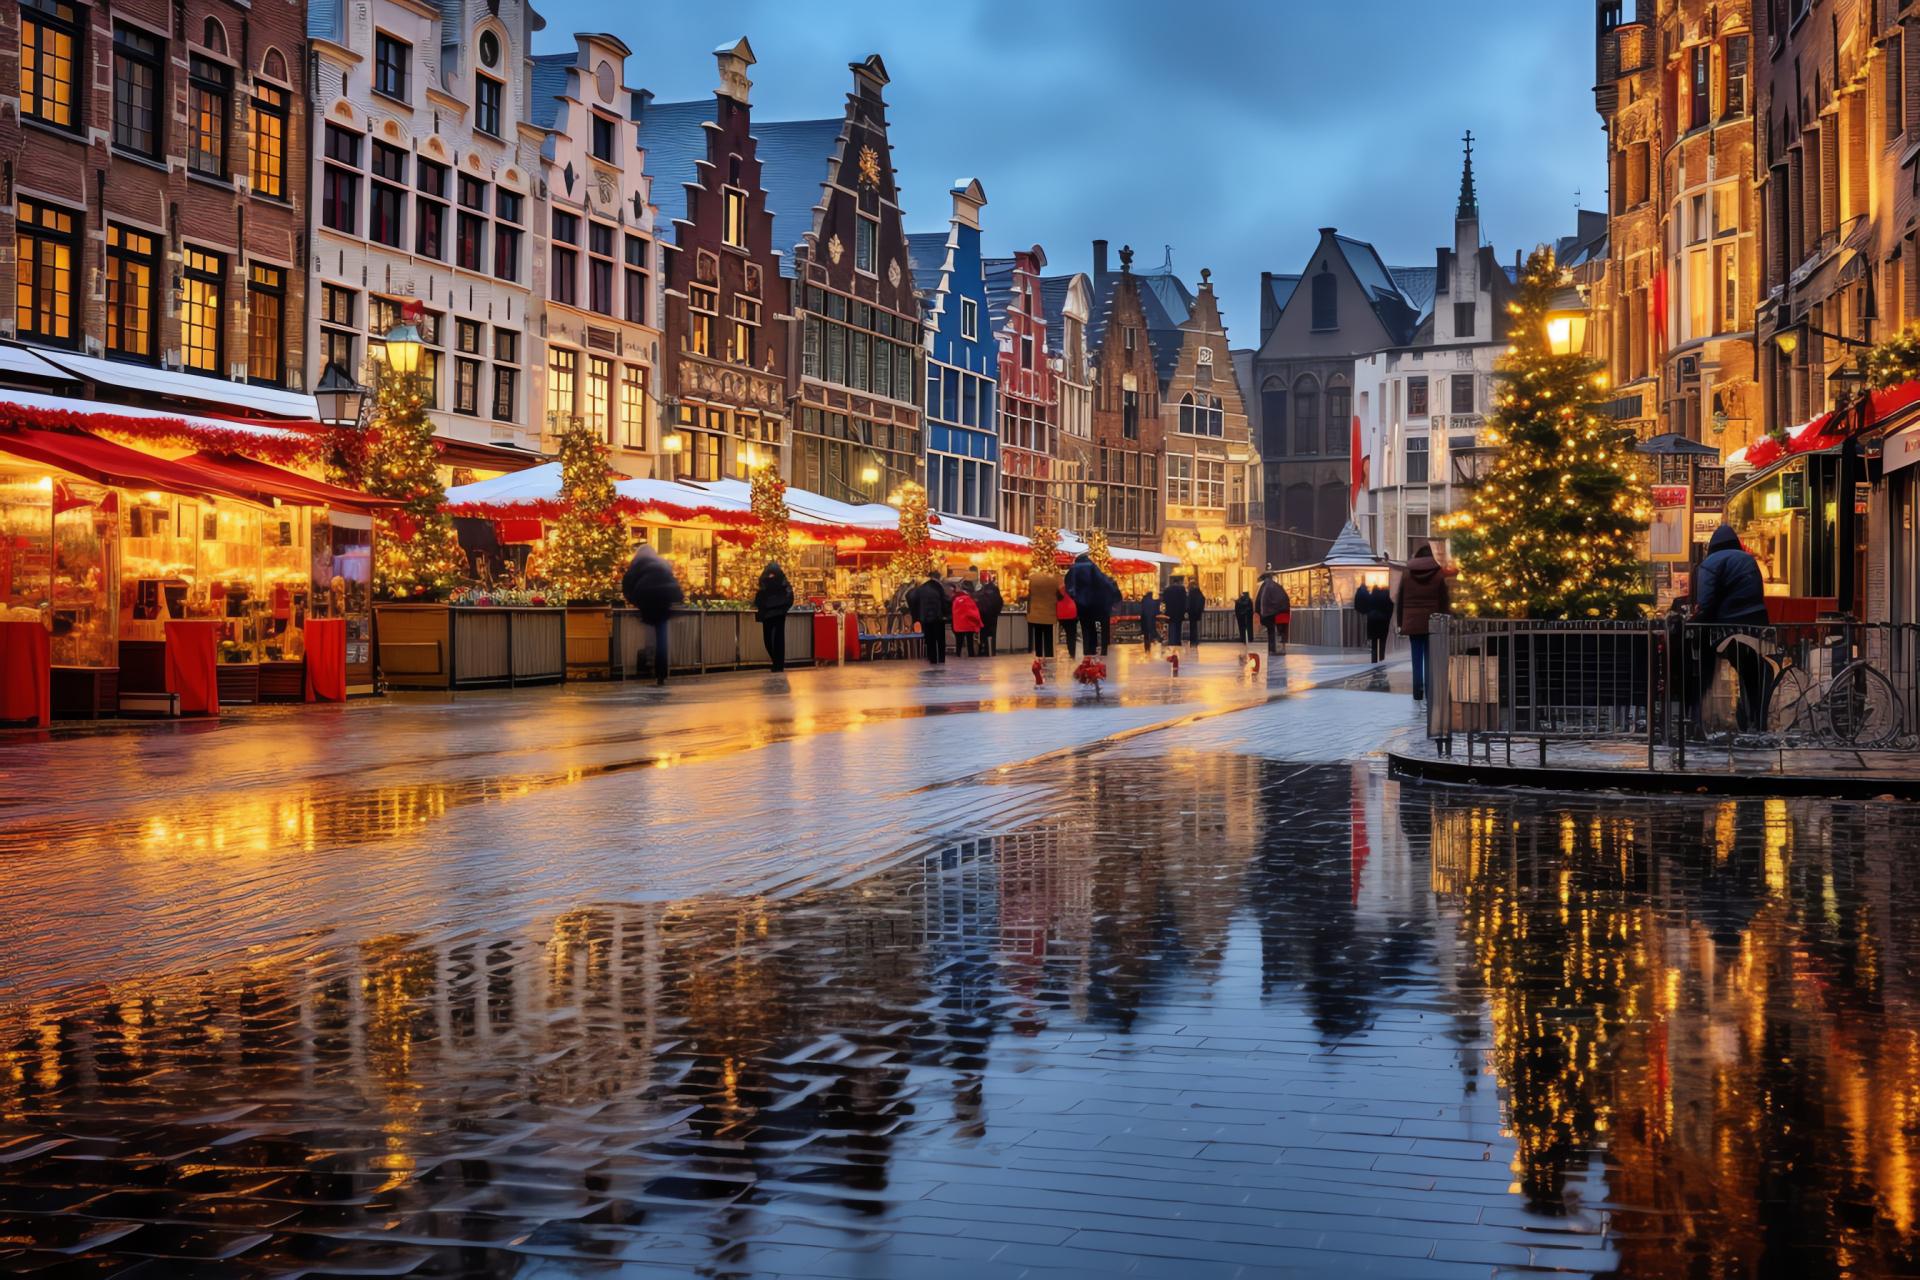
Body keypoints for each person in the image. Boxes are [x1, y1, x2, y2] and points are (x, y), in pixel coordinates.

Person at [1693, 522, 1773, 730]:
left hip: (1728, 626)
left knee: (1706, 664)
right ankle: (1755, 718)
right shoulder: (1748, 559)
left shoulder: (1710, 563)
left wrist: (1698, 621)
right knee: (1751, 669)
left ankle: (1699, 717)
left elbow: (1706, 600)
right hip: (1756, 624)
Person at [1393, 544, 1451, 701]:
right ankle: (1430, 688)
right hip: (1433, 623)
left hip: (1413, 622)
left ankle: (1417, 690)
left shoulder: (1407, 575)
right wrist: (1446, 619)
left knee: (1416, 657)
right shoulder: (1439, 574)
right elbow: (1444, 599)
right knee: (1431, 657)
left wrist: (1400, 623)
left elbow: (1400, 600)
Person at [621, 544, 684, 686]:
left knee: (648, 633)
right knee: (661, 636)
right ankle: (661, 672)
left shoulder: (637, 566)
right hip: (663, 601)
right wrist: (677, 600)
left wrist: (633, 600)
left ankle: (645, 664)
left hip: (646, 599)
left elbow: (627, 584)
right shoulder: (662, 565)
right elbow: (673, 583)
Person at [1065, 553, 1117, 656]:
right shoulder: (1095, 569)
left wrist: (1076, 598)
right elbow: (1107, 583)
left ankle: (1088, 649)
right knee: (1104, 626)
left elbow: (1068, 584)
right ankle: (1104, 649)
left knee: (1087, 626)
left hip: (1084, 604)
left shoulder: (1074, 570)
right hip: (1101, 603)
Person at [753, 560, 795, 674]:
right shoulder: (782, 583)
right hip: (777, 614)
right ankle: (778, 664)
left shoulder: (766, 583)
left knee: (771, 639)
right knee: (776, 640)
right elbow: (790, 597)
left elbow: (759, 599)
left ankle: (777, 664)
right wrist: (783, 608)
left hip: (771, 614)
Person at [906, 570, 949, 665]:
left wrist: (916, 615)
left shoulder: (922, 588)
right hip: (938, 618)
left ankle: (932, 658)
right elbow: (945, 601)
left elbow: (911, 596)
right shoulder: (939, 588)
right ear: (939, 578)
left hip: (925, 618)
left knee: (930, 640)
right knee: (940, 640)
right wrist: (946, 614)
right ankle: (941, 659)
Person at [1027, 561, 1064, 658]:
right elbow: (1060, 596)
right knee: (1048, 637)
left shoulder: (1033, 578)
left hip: (1035, 613)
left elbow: (1029, 594)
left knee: (1038, 636)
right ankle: (1049, 656)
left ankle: (1039, 656)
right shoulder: (1055, 579)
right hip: (1049, 613)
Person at [1355, 582, 1393, 663]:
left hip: (1372, 622)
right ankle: (1382, 659)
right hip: (1383, 623)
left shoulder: (1371, 598)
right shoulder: (1386, 597)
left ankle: (1374, 660)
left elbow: (1363, 606)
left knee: (1374, 645)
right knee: (1383, 643)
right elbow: (1390, 608)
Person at [1255, 572, 1291, 656]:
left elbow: (1260, 600)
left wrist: (1258, 612)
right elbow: (1286, 599)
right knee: (1282, 630)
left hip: (1270, 612)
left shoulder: (1264, 587)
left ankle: (1272, 649)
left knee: (1271, 630)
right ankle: (1282, 648)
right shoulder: (1278, 587)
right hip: (1283, 611)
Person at [977, 573, 1004, 656]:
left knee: (983, 633)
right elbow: (1000, 601)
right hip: (993, 616)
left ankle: (983, 650)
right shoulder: (995, 589)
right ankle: (992, 651)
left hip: (983, 616)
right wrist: (997, 612)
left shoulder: (983, 589)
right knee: (993, 633)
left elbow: (978, 601)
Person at [952, 587, 983, 656]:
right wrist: (979, 623)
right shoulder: (969, 599)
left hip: (959, 625)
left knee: (959, 641)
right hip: (968, 624)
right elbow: (973, 613)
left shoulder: (955, 600)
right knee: (970, 641)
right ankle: (971, 654)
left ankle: (958, 654)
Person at [1162, 577, 1188, 648]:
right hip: (1179, 611)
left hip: (1170, 611)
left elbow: (1164, 599)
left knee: (1171, 625)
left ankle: (1171, 641)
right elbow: (1184, 600)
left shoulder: (1167, 590)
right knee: (1178, 626)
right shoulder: (1181, 589)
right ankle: (1177, 641)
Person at [1137, 588, 1160, 653]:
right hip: (1151, 620)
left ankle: (1147, 648)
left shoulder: (1144, 601)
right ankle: (1153, 641)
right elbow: (1156, 611)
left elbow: (1140, 610)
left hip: (1144, 620)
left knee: (1146, 635)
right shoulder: (1153, 602)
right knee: (1150, 632)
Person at [1186, 581, 1206, 648]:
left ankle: (1193, 640)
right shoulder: (1199, 592)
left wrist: (1187, 609)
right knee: (1194, 626)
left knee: (1192, 626)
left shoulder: (1191, 593)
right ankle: (1195, 640)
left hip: (1192, 611)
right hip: (1197, 611)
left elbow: (1188, 602)